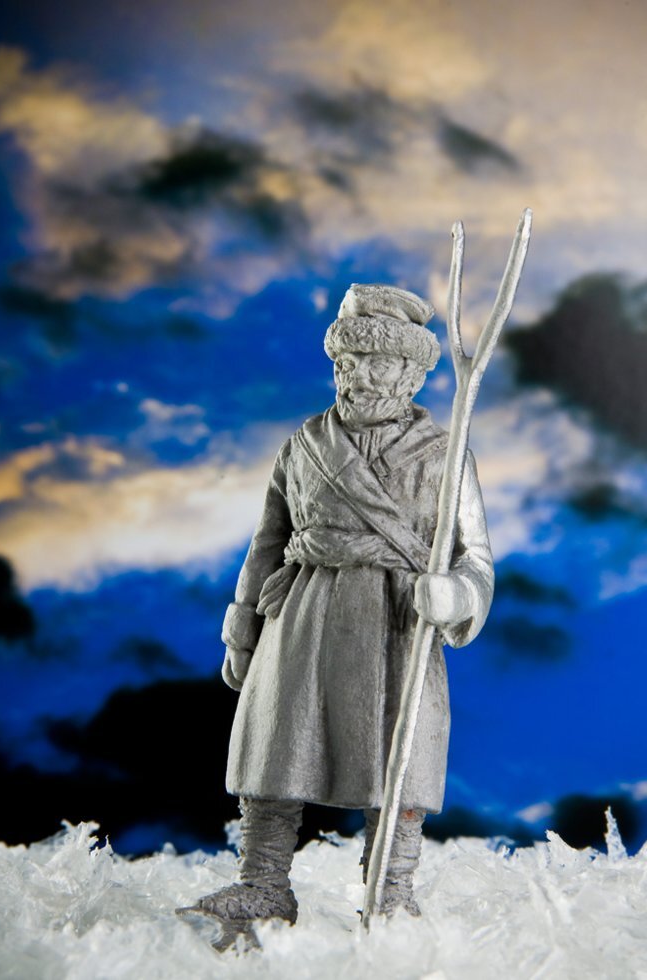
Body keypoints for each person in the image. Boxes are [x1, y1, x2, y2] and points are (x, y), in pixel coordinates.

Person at [182, 283, 494, 928]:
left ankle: (391, 892)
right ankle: (264, 883)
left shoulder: (445, 455)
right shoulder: (303, 446)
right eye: (346, 361)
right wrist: (243, 629)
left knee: (401, 756)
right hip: (303, 612)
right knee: (274, 745)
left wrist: (453, 594)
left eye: (374, 362)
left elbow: (477, 560)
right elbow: (267, 541)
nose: (357, 375)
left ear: (410, 372)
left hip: (396, 619)